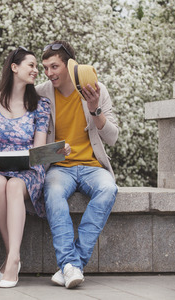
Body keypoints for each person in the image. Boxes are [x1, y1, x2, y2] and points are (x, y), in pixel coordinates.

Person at [36, 41, 119, 289]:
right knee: (53, 192)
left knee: (108, 189)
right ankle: (72, 264)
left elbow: (113, 137)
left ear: (69, 65)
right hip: (60, 168)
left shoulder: (95, 89)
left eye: (54, 66)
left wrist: (96, 110)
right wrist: (55, 152)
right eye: (45, 68)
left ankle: (71, 265)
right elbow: (35, 150)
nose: (49, 73)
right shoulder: (41, 93)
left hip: (93, 167)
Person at [0, 47, 50, 288]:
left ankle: (12, 260)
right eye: (31, 65)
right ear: (14, 67)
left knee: (15, 186)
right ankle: (13, 256)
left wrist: (44, 155)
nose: (36, 70)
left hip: (29, 169)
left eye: (36, 66)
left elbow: (39, 151)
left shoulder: (40, 105)